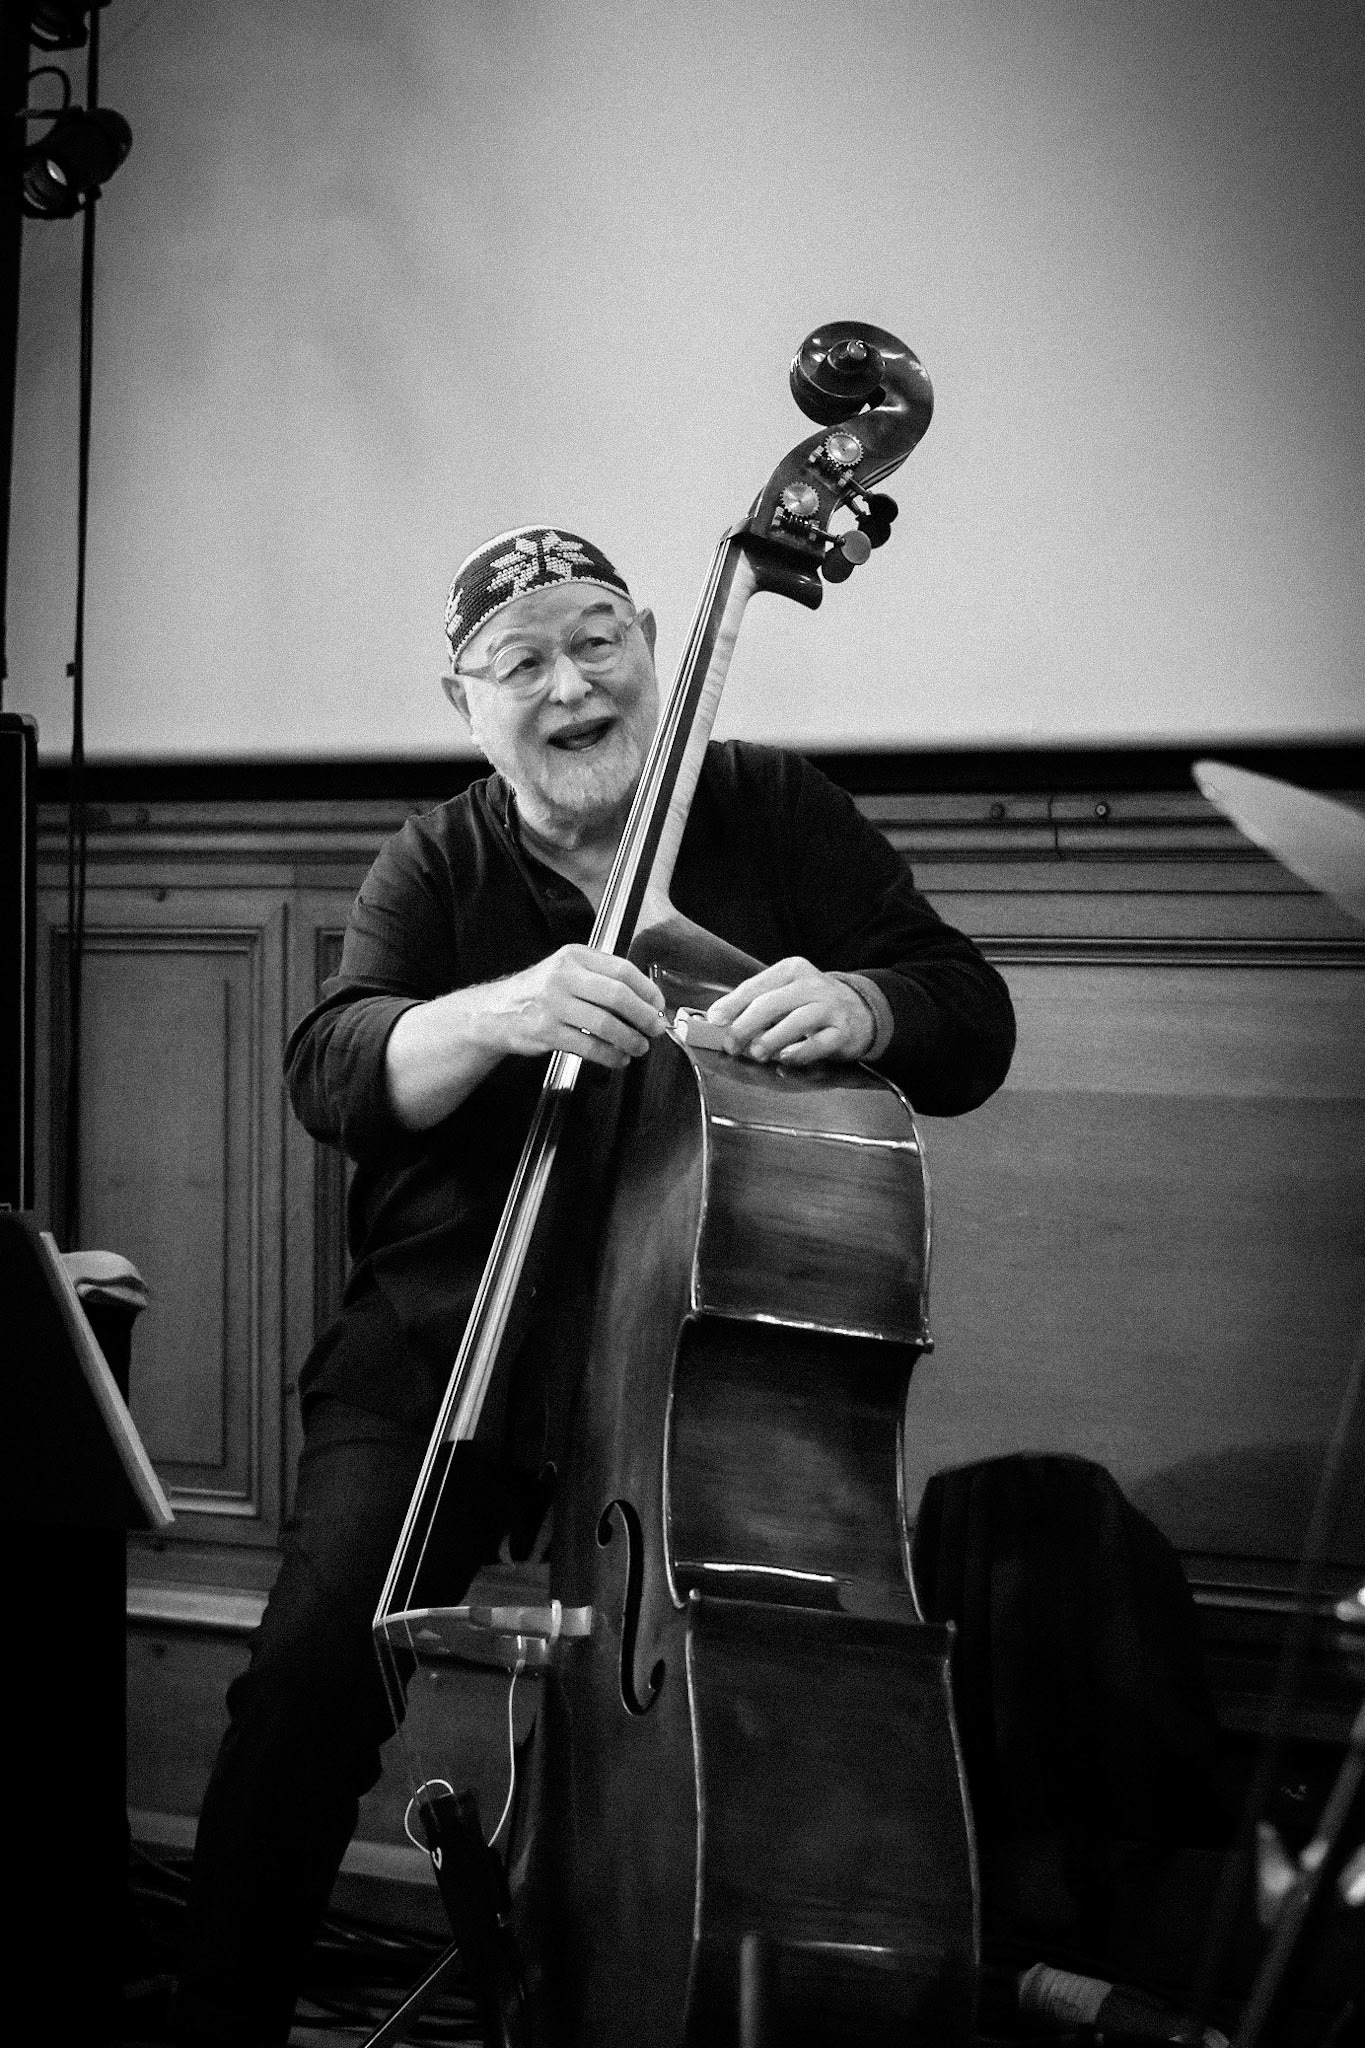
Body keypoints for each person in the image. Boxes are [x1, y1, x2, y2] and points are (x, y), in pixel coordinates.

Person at [172, 526, 1016, 2046]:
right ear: (465, 700)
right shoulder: (440, 858)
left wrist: (863, 998)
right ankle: (220, 2023)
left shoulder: (769, 808)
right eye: (521, 663)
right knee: (306, 1684)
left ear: (650, 642)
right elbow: (334, 1068)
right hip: (450, 1348)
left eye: (595, 642)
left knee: (725, 1707)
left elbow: (966, 1017)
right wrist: (495, 1008)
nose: (569, 686)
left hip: (702, 1370)